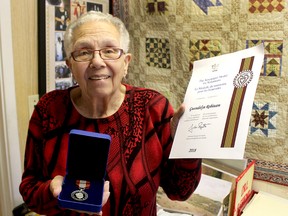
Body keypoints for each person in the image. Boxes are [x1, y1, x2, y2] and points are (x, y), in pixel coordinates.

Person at [19, 11, 202, 216]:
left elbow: (180, 191)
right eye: (84, 52)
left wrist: (186, 144)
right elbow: (29, 189)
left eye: (109, 50)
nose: (97, 62)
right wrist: (52, 193)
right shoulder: (48, 109)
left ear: (126, 62)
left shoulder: (153, 108)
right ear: (70, 65)